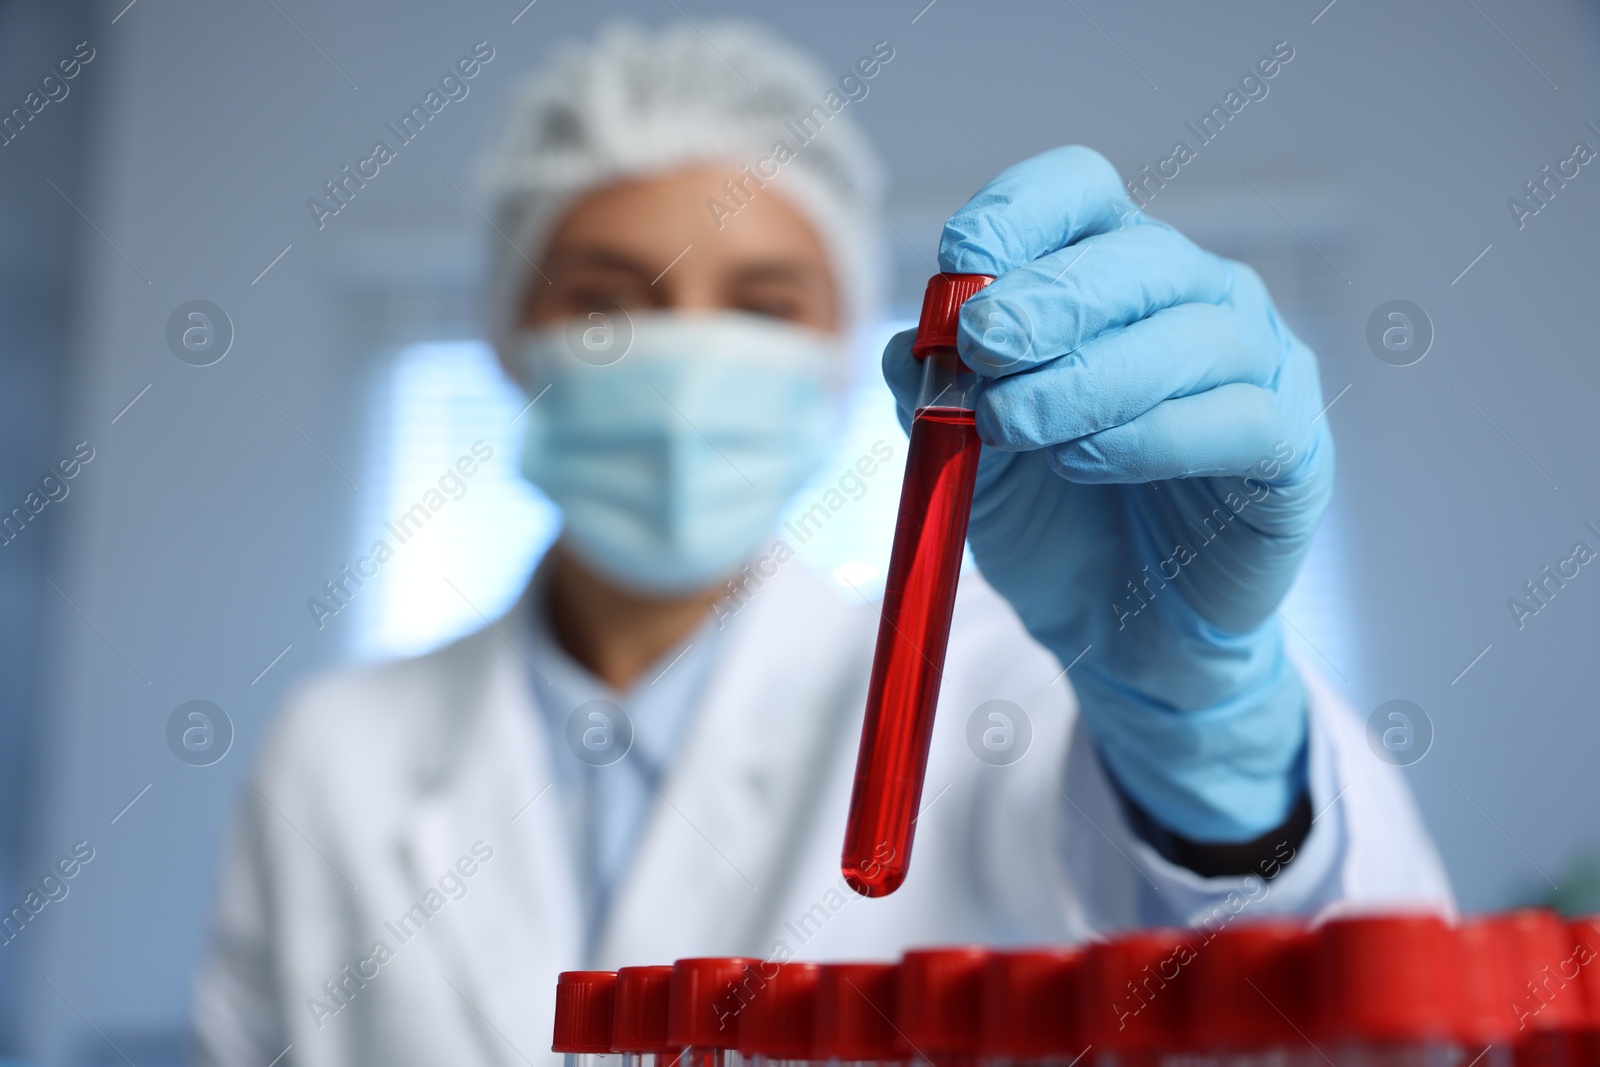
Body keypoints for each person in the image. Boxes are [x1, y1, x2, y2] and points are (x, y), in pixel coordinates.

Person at [194, 19, 1451, 1067]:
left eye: (760, 303)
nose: (684, 356)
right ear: (505, 334)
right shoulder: (333, 756)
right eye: (608, 296)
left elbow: (1335, 1022)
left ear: (843, 357)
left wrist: (1206, 731)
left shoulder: (992, 699)